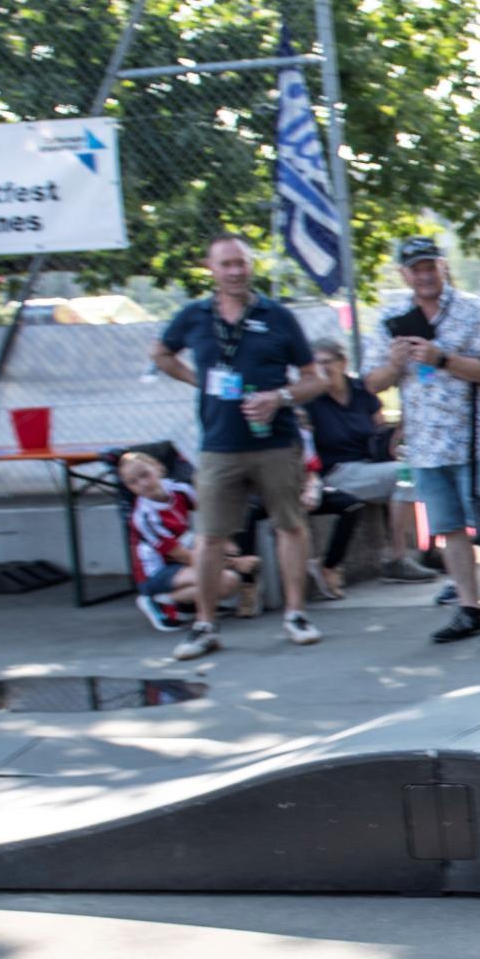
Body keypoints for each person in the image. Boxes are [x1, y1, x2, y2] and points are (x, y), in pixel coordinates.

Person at [147, 233, 324, 659]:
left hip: (275, 442)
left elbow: (314, 378)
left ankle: (296, 614)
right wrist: (197, 382)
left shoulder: (277, 315)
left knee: (291, 526)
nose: (234, 271)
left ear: (251, 266)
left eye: (241, 263)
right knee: (210, 536)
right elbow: (161, 354)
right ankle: (205, 625)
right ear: (210, 268)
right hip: (219, 445)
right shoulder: (194, 316)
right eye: (225, 263)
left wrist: (277, 397)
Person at [364, 235, 480, 647]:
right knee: (449, 530)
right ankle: (469, 607)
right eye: (415, 268)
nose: (423, 274)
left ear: (442, 267)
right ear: (404, 274)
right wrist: (395, 363)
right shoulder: (391, 315)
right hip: (425, 445)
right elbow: (370, 383)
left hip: (476, 440)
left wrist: (442, 359)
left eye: (429, 266)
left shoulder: (471, 309)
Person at [304, 336, 432, 590]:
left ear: (343, 362)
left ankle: (429, 550)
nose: (323, 369)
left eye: (327, 362)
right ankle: (396, 556)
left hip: (369, 467)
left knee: (411, 470)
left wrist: (396, 439)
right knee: (403, 475)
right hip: (336, 472)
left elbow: (381, 429)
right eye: (316, 364)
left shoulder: (360, 391)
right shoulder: (310, 400)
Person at [119, 450, 253, 631]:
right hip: (156, 572)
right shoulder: (144, 516)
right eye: (133, 482)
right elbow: (182, 556)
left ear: (158, 469)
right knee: (219, 580)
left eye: (145, 475)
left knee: (229, 581)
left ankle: (183, 604)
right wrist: (233, 562)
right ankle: (157, 601)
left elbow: (209, 513)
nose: (142, 484)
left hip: (181, 561)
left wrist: (225, 540)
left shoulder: (178, 489)